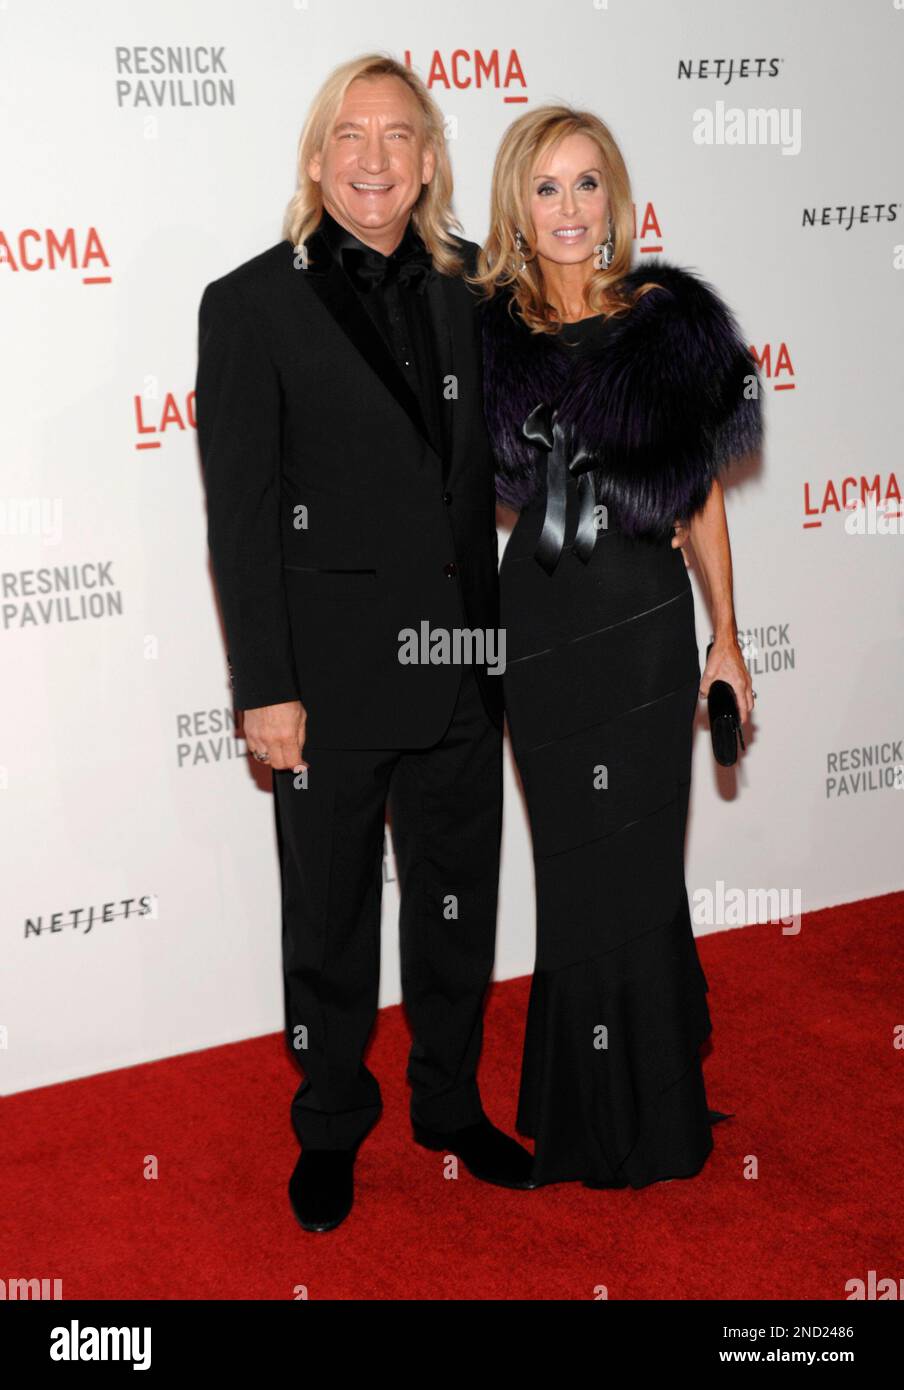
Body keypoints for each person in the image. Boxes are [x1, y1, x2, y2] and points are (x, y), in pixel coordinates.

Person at [195, 54, 534, 1233]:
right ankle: (330, 1121)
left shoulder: (471, 298)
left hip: (459, 669)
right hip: (327, 685)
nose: (375, 157)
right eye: (352, 134)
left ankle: (447, 1103)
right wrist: (266, 689)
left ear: (431, 161)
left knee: (456, 905)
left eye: (400, 135)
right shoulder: (248, 303)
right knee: (329, 919)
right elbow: (240, 517)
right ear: (316, 158)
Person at [474, 106, 762, 1188]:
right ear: (518, 203)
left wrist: (727, 636)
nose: (567, 209)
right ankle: (583, 1110)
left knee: (638, 857)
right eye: (544, 187)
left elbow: (700, 505)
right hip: (540, 632)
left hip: (642, 621)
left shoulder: (665, 326)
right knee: (572, 867)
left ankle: (654, 1111)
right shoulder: (486, 335)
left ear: (615, 198)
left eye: (586, 184)